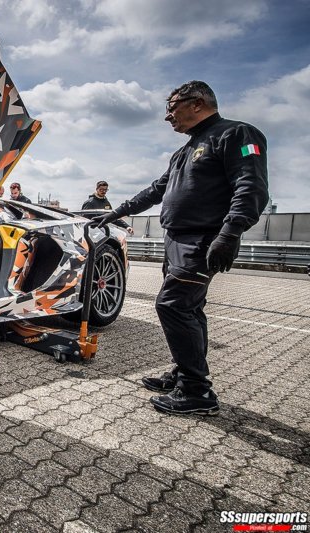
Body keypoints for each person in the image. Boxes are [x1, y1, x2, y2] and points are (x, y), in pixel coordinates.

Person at [96, 80, 268, 416]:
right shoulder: (186, 149)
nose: (167, 117)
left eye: (171, 107)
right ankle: (182, 372)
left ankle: (196, 391)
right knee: (189, 309)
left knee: (172, 306)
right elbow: (158, 188)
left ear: (197, 102)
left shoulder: (236, 135)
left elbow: (251, 186)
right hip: (177, 239)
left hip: (203, 239)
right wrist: (118, 211)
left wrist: (230, 233)